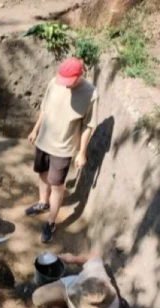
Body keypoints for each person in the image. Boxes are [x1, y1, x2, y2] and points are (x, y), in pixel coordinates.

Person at [26, 57, 98, 243]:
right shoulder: (54, 82)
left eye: (69, 81)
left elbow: (88, 126)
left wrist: (82, 151)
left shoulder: (90, 93)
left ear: (78, 76)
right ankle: (43, 202)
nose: (65, 85)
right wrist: (35, 130)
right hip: (44, 140)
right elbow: (45, 109)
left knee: (57, 186)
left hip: (63, 148)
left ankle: (51, 222)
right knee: (42, 174)